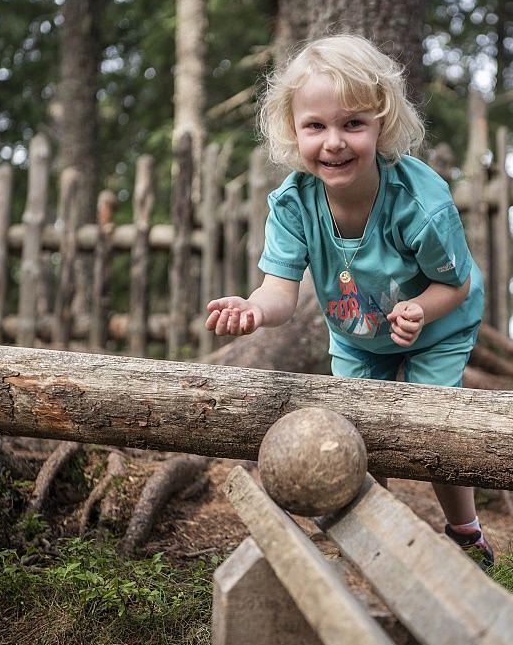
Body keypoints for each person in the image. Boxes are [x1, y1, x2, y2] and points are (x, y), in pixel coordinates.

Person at [205, 35, 492, 569]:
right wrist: (252, 309)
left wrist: (419, 311)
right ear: (293, 130)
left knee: (438, 431)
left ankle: (465, 531)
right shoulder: (294, 204)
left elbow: (456, 284)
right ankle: (377, 540)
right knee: (359, 433)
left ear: (382, 126)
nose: (333, 142)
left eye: (352, 124)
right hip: (357, 332)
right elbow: (281, 294)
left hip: (438, 324)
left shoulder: (420, 206)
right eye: (315, 126)